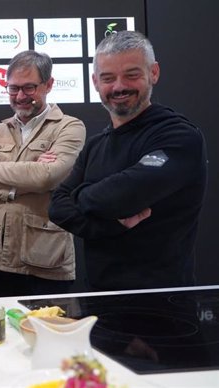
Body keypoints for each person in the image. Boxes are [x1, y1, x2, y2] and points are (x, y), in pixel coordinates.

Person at [49, 30, 207, 291]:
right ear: (95, 82)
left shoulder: (178, 136)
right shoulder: (95, 146)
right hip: (100, 300)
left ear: (153, 73)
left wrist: (79, 196)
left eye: (131, 75)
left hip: (162, 305)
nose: (119, 86)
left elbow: (122, 196)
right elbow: (57, 208)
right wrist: (112, 225)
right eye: (108, 78)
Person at [0, 50, 86, 297]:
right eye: (13, 88)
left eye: (29, 88)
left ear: (48, 85)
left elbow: (48, 176)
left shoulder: (70, 127)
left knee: (45, 335)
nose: (20, 96)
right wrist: (21, 184)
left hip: (46, 262)